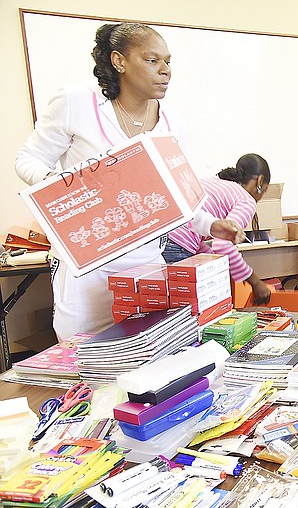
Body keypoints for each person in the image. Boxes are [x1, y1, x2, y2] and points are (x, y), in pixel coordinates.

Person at [15, 22, 244, 340]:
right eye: (152, 61)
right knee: (84, 351)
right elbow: (27, 160)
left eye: (168, 62)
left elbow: (176, 195)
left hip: (145, 263)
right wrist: (62, 185)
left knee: (141, 348)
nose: (165, 71)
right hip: (86, 264)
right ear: (119, 61)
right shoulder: (77, 102)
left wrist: (211, 225)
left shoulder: (171, 122)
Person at [164, 153, 272, 304]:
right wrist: (255, 282)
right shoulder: (246, 200)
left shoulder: (213, 183)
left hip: (160, 240)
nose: (260, 198)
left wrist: (218, 264)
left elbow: (193, 236)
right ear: (260, 181)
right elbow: (223, 243)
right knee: (192, 312)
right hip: (177, 248)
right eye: (265, 190)